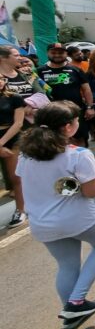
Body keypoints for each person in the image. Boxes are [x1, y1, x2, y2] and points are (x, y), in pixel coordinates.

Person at [16, 101, 95, 329]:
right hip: (78, 217)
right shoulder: (78, 154)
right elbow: (91, 191)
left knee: (67, 265)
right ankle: (76, 302)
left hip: (41, 222)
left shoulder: (25, 155)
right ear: (68, 127)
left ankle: (70, 312)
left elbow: (24, 183)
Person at [38, 43, 95, 148]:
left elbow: (87, 90)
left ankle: (81, 162)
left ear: (66, 54)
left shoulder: (76, 70)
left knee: (79, 138)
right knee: (55, 141)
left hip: (75, 112)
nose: (57, 55)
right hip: (52, 114)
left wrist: (90, 107)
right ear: (48, 53)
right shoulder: (40, 71)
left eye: (60, 52)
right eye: (53, 52)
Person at [0, 76, 26, 228]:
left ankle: (20, 210)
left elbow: (18, 123)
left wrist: (1, 143)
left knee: (16, 177)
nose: (0, 81)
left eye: (2, 78)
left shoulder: (15, 98)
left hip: (12, 139)